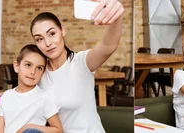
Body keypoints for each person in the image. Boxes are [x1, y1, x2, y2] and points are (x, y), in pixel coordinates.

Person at [29, 0, 124, 132]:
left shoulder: (81, 62)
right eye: (39, 39)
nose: (48, 43)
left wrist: (116, 16)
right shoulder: (39, 73)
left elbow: (108, 46)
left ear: (62, 31)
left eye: (52, 34)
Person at [0, 44, 63, 133]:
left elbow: (58, 130)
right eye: (28, 65)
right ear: (16, 66)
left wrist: (30, 127)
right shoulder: (6, 96)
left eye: (39, 68)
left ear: (43, 72)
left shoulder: (43, 97)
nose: (32, 72)